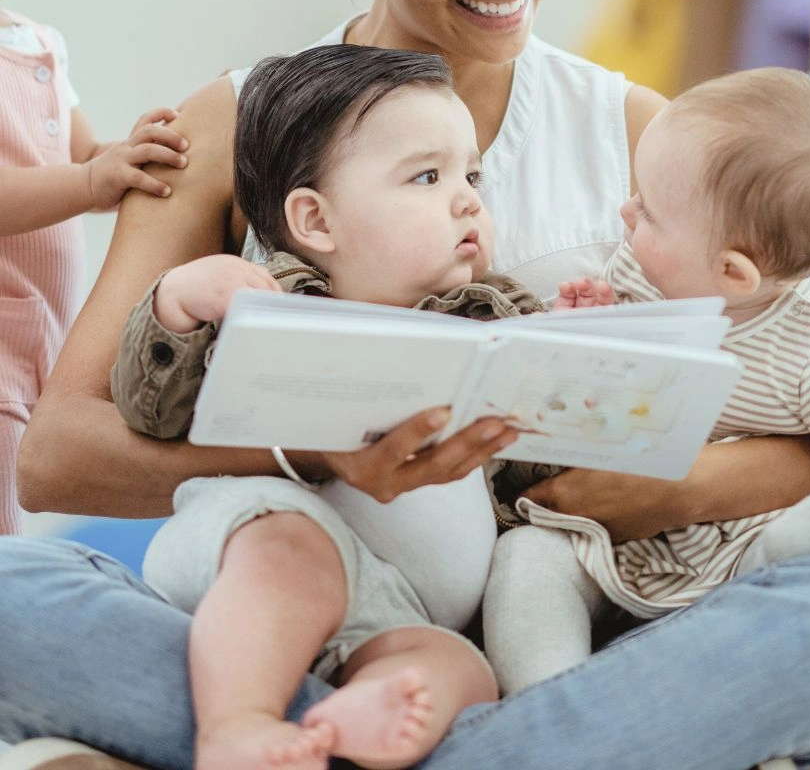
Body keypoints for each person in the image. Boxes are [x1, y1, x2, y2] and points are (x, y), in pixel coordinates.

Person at [0, 0, 810, 768]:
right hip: (315, 618)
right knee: (14, 602)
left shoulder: (648, 140)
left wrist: (672, 489)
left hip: (580, 637)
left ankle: (373, 747)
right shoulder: (238, 121)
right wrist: (313, 460)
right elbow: (57, 452)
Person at [109, 43, 550, 770]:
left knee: (465, 674)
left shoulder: (491, 324)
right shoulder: (268, 304)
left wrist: (578, 351)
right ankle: (239, 726)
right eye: (428, 176)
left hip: (397, 612)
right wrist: (183, 303)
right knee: (293, 557)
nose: (469, 198)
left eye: (472, 175)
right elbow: (150, 406)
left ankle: (352, 717)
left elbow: (538, 466)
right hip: (258, 550)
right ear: (316, 222)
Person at [482, 67, 810, 695]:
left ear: (732, 273)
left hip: (741, 560)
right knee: (526, 560)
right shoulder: (646, 272)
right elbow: (604, 401)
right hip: (616, 542)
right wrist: (586, 335)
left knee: (799, 556)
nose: (626, 212)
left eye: (650, 212)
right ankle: (549, 701)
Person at [0, 0, 187, 536]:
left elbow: (85, 154)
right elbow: (65, 180)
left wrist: (136, 153)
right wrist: (88, 180)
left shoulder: (41, 47)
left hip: (42, 340)